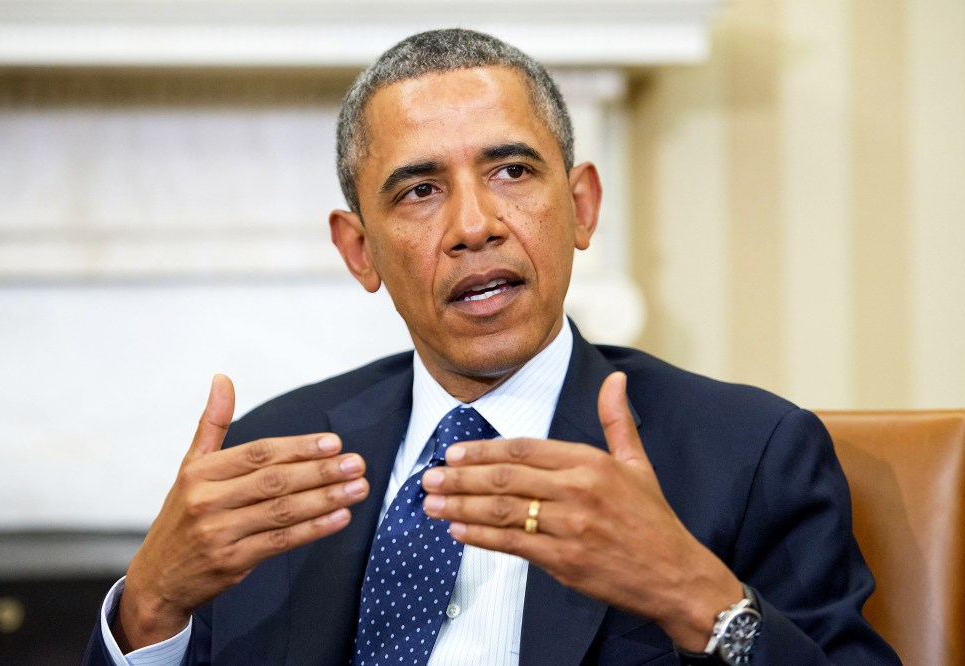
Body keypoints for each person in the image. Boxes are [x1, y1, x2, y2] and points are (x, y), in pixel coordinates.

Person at [83, 29, 900, 665]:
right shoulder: (275, 464)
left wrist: (701, 601)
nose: (475, 224)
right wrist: (149, 607)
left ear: (580, 207)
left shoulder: (748, 456)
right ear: (359, 250)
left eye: (511, 171)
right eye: (420, 190)